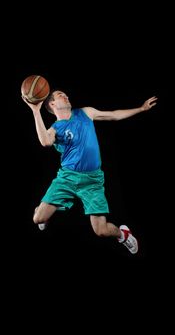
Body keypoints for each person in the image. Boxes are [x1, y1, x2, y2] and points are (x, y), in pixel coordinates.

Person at [22, 90, 157, 254]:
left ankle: (123, 234)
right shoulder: (55, 128)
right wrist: (36, 111)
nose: (66, 96)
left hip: (92, 181)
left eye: (65, 94)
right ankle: (43, 210)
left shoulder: (86, 112)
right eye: (60, 95)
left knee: (101, 230)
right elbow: (45, 142)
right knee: (38, 219)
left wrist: (141, 109)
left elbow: (113, 115)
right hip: (67, 178)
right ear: (52, 104)